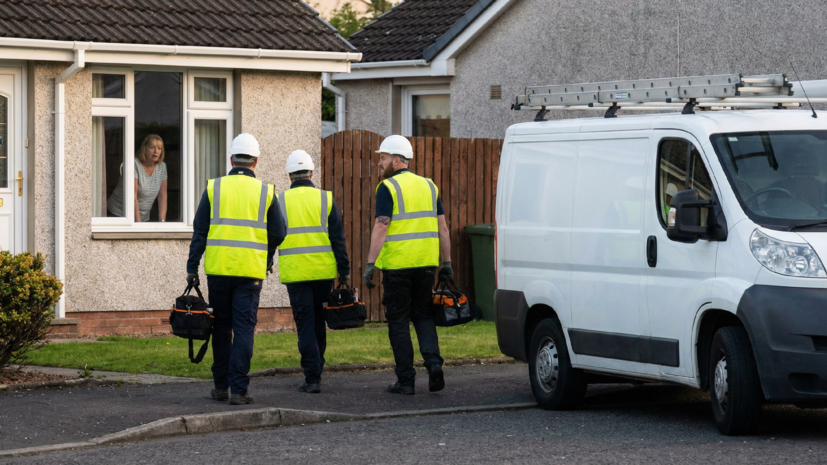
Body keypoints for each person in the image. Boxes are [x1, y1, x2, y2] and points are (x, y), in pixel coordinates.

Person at [186, 133, 286, 405]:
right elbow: (279, 232)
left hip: (219, 270)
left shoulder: (214, 188)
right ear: (256, 161)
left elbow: (200, 231)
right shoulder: (266, 191)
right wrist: (267, 256)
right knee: (243, 329)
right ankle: (239, 391)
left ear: (231, 159)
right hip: (250, 273)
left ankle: (221, 387)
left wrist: (192, 267)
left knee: (220, 327)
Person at [363, 135, 452, 395]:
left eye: (383, 158)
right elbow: (443, 228)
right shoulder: (429, 186)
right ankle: (434, 364)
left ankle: (406, 380)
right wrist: (447, 262)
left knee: (399, 321)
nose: (379, 163)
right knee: (423, 316)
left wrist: (370, 264)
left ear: (397, 160)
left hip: (398, 267)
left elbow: (382, 226)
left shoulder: (387, 187)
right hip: (426, 265)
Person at [277, 150, 350, 394]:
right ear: (311, 173)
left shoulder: (280, 201)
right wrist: (344, 269)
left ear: (289, 175)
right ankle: (317, 369)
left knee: (305, 325)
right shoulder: (325, 199)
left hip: (296, 273)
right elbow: (338, 238)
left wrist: (266, 262)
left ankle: (312, 378)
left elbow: (273, 235)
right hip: (322, 273)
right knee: (319, 322)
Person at [108, 134, 168, 222]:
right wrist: (138, 225)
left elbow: (162, 196)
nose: (156, 151)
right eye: (152, 147)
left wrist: (162, 221)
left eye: (159, 148)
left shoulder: (162, 167)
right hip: (119, 213)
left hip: (143, 217)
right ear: (144, 149)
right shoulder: (133, 165)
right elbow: (133, 197)